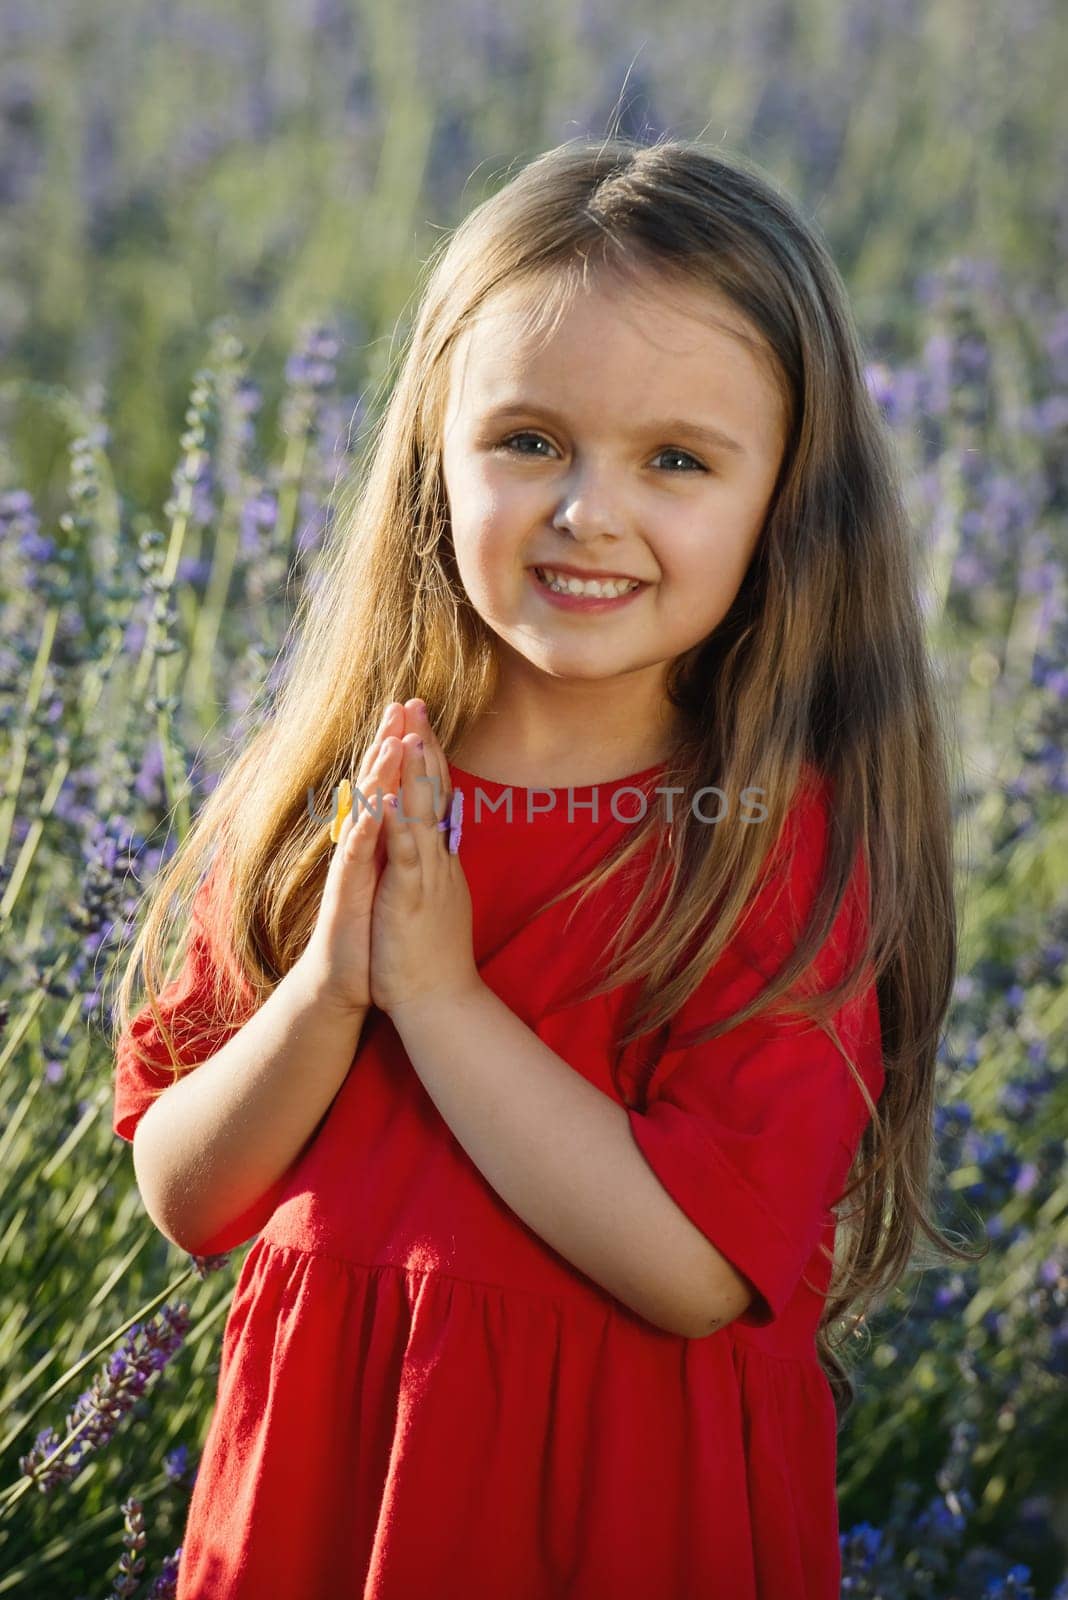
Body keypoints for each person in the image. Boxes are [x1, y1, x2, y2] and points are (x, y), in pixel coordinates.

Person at [110, 135, 972, 1599]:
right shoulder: (339, 795)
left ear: (786, 502)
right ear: (435, 449)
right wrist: (328, 991)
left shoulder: (768, 847)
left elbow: (696, 1268)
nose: (589, 511)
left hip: (617, 1527)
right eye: (529, 440)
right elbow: (187, 1194)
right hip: (322, 1511)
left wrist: (438, 1004)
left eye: (678, 462)